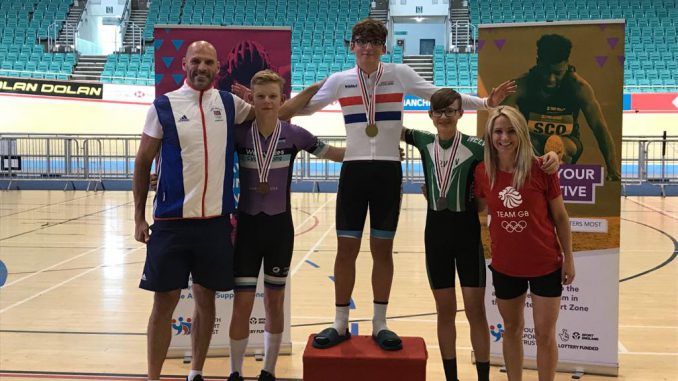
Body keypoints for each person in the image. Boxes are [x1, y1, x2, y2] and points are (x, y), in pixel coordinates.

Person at [297, 18, 517, 351]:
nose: (368, 47)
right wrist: (266, 106)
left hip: (387, 173)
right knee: (346, 251)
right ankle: (340, 323)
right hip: (354, 173)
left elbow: (440, 96)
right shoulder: (340, 81)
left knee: (382, 250)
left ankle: (380, 324)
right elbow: (306, 109)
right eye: (361, 41)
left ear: (384, 48)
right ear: (352, 46)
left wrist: (485, 103)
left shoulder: (399, 74)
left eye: (374, 41)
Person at [133, 41, 319, 381]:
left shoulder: (230, 104)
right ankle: (153, 378)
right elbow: (144, 161)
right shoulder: (162, 106)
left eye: (208, 62)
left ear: (218, 68)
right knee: (163, 305)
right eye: (196, 61)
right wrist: (138, 216)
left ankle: (196, 372)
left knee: (207, 301)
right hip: (171, 223)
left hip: (215, 225)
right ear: (185, 64)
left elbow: (275, 112)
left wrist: (318, 88)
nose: (202, 67)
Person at [401, 89, 559, 381]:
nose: (445, 116)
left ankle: (483, 378)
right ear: (430, 115)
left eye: (451, 111)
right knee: (444, 312)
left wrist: (549, 156)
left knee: (475, 311)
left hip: (467, 236)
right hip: (435, 236)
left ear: (462, 113)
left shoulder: (477, 145)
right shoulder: (422, 141)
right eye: (439, 111)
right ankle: (452, 378)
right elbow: (387, 128)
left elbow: (512, 143)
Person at [226, 70, 344, 381]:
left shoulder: (295, 135)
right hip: (248, 230)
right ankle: (235, 372)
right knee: (243, 303)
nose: (266, 102)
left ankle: (268, 370)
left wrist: (377, 153)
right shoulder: (238, 134)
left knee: (274, 301)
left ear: (282, 100)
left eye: (273, 97)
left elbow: (335, 154)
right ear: (250, 99)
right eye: (260, 97)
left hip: (280, 231)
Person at [473, 106, 575, 381]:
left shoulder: (542, 168)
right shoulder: (483, 172)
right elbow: (478, 208)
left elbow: (561, 218)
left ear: (520, 133)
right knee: (512, 329)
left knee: (544, 334)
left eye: (510, 131)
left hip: (545, 264)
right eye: (498, 131)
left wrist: (569, 258)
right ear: (490, 135)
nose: (504, 138)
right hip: (506, 266)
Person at [501, 33, 621, 181]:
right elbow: (496, 123)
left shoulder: (579, 87)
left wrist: (613, 169)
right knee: (522, 140)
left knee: (554, 143)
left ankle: (551, 175)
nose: (551, 79)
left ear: (567, 64)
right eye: (546, 72)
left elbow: (599, 128)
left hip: (567, 143)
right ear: (538, 63)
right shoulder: (522, 85)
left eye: (558, 73)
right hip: (530, 143)